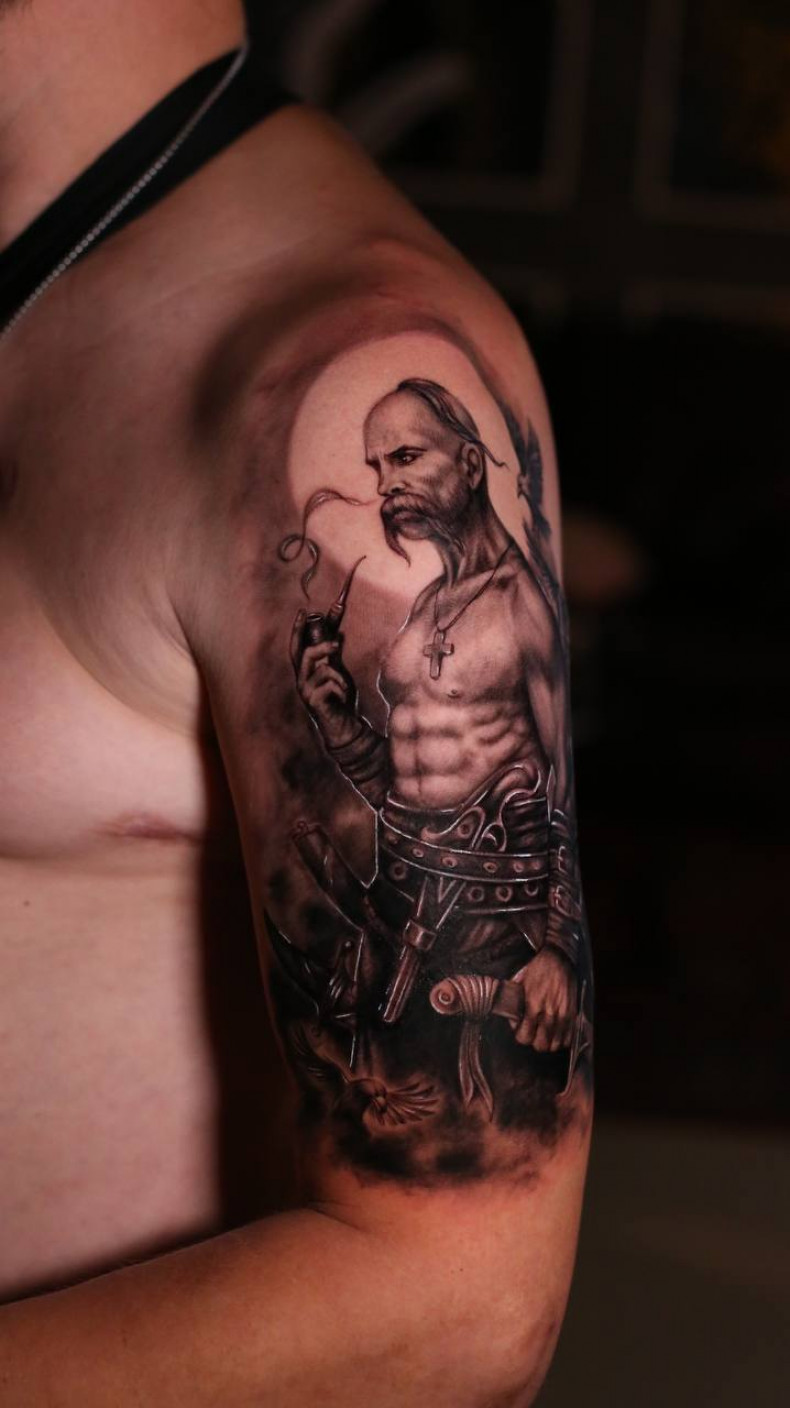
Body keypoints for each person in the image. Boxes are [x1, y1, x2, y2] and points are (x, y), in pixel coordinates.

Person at [0, 1, 593, 1402]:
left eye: (407, 466)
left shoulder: (333, 345)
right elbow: (396, 792)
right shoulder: (59, 278)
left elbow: (454, 1317)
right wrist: (332, 709)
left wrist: (516, 944)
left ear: (457, 459)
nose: (381, 490)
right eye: (376, 472)